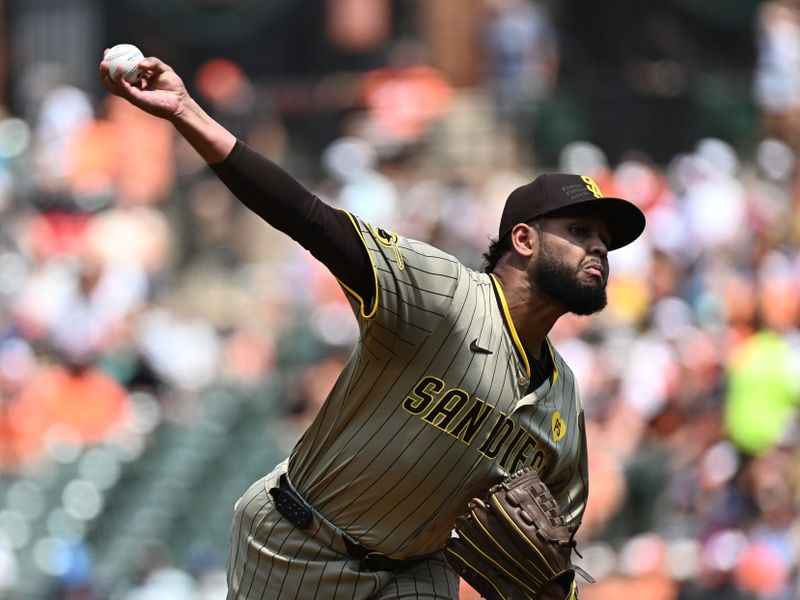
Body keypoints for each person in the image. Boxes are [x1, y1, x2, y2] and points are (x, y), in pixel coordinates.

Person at [99, 54, 645, 600]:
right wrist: (187, 112)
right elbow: (307, 216)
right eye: (579, 230)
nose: (599, 246)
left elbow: (554, 555)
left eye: (605, 240)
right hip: (296, 546)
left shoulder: (564, 400)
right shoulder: (441, 297)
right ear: (523, 241)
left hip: (415, 573)